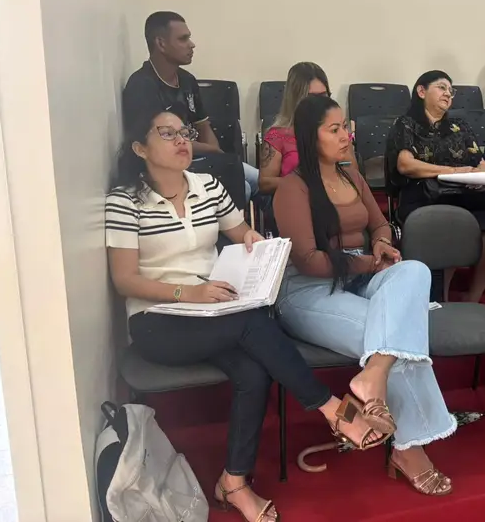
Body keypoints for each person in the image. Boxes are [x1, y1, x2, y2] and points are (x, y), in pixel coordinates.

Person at [106, 109, 385, 522]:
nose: (182, 140)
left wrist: (255, 242)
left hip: (213, 311)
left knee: (253, 372)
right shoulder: (125, 201)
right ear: (139, 148)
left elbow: (241, 233)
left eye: (185, 132)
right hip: (158, 320)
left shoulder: (207, 186)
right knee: (252, 323)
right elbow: (125, 280)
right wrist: (189, 293)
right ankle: (331, 408)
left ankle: (233, 483)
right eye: (167, 133)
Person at [275, 95, 455, 496]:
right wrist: (368, 263)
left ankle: (371, 378)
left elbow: (381, 224)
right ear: (310, 136)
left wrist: (381, 245)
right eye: (334, 129)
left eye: (346, 127)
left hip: (359, 275)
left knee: (415, 270)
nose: (346, 136)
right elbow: (308, 261)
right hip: (308, 289)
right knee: (393, 339)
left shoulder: (351, 175)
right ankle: (408, 450)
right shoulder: (292, 187)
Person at [122, 11, 260, 200]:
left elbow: (203, 125)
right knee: (243, 188)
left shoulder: (187, 80)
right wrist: (210, 151)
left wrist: (214, 156)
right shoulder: (141, 86)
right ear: (161, 43)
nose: (192, 44)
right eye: (183, 39)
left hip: (197, 159)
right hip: (166, 169)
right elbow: (158, 146)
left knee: (260, 180)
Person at [386, 70, 485, 303]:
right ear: (421, 91)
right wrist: (454, 172)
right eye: (441, 87)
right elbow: (405, 164)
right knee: (452, 225)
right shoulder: (406, 124)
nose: (448, 94)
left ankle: (473, 297)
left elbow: (481, 163)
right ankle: (442, 299)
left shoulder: (459, 125)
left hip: (462, 195)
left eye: (451, 90)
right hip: (423, 197)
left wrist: (476, 174)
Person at [258, 61, 356, 195]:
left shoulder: (339, 131)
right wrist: (305, 182)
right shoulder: (278, 135)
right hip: (294, 199)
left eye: (323, 96)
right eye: (311, 97)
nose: (318, 103)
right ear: (295, 99)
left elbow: (353, 173)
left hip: (335, 197)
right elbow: (265, 183)